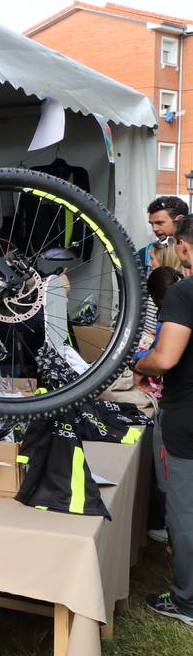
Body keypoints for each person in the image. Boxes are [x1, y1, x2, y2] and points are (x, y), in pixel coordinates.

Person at [136, 216, 193, 627]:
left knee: (185, 511)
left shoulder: (183, 294)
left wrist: (141, 363)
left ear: (185, 248)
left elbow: (166, 358)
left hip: (185, 419)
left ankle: (187, 602)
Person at [143, 196, 190, 277]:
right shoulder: (146, 254)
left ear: (179, 220)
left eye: (160, 223)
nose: (154, 229)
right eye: (152, 224)